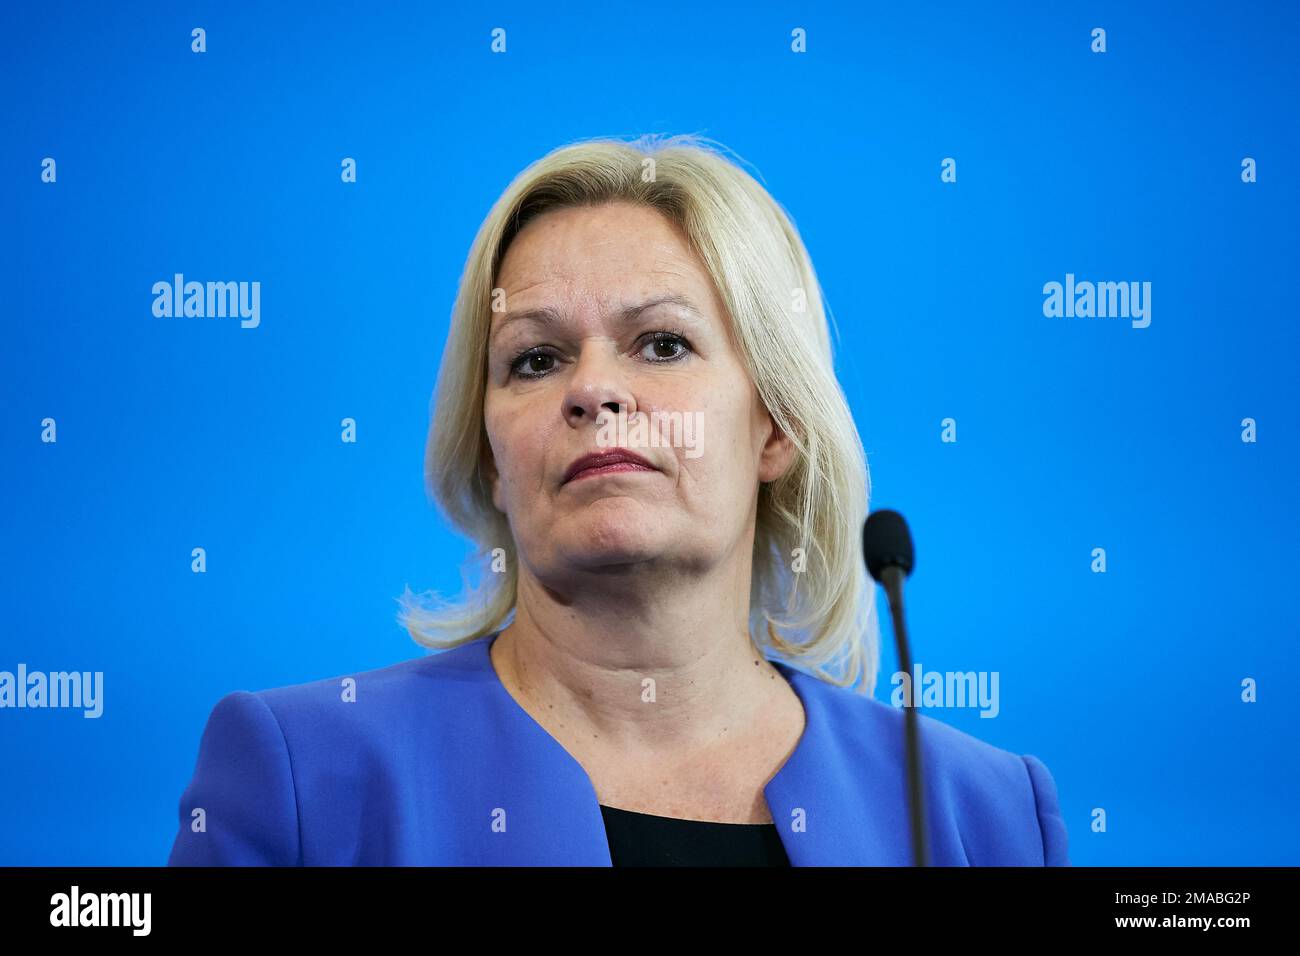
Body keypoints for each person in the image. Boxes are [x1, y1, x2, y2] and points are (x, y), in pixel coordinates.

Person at [167, 134, 1069, 866]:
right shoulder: (305, 777)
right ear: (490, 455)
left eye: (662, 345)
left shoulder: (983, 817)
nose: (592, 392)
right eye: (536, 358)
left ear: (776, 426)